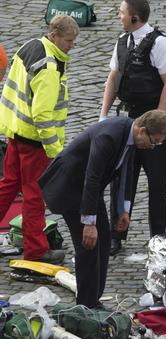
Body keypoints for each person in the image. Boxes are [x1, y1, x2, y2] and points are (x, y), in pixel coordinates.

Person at [39, 110, 166, 308]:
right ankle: (86, 305)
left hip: (90, 189)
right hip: (71, 187)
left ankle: (93, 299)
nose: (153, 147)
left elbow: (125, 172)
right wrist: (89, 223)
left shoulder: (131, 134)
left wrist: (123, 210)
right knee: (88, 245)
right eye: (154, 141)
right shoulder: (109, 137)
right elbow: (91, 178)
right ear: (142, 131)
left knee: (104, 241)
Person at [99, 0, 166, 255]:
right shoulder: (122, 41)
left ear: (134, 17)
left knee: (156, 181)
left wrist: (160, 118)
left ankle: (158, 235)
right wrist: (103, 115)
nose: (118, 16)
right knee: (122, 180)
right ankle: (116, 234)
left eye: (121, 12)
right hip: (128, 121)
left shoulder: (160, 43)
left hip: (152, 120)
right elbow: (113, 77)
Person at [0, 15, 79, 264]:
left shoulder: (30, 45)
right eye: (69, 40)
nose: (72, 45)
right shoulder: (49, 68)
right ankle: (36, 250)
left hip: (15, 130)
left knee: (9, 185)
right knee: (34, 195)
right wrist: (54, 148)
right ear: (54, 35)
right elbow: (43, 114)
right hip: (35, 141)